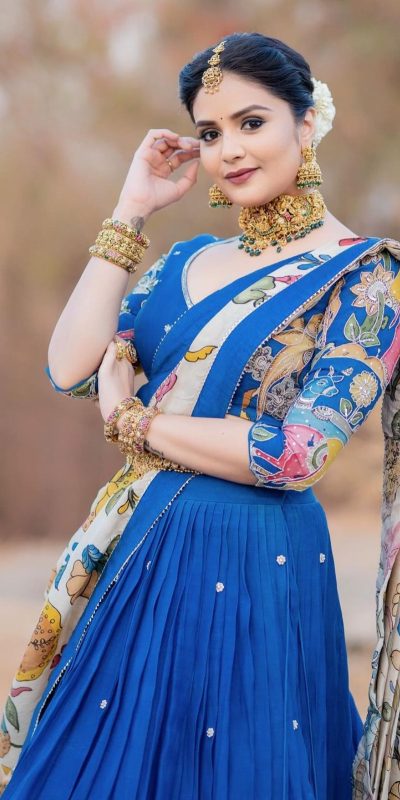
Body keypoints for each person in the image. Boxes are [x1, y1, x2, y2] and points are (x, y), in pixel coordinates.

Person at [1, 32, 400, 800]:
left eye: (252, 123)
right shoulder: (185, 262)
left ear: (306, 122)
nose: (230, 150)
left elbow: (299, 453)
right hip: (132, 547)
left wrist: (136, 424)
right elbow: (72, 370)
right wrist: (131, 208)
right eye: (210, 133)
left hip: (254, 560)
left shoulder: (363, 275)